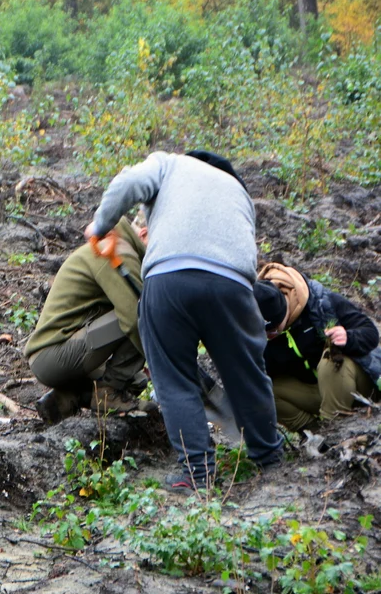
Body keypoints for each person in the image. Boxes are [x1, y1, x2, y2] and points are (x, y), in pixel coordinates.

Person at [86, 150, 283, 491]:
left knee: (175, 379)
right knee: (247, 372)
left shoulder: (169, 163)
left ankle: (196, 474)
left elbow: (129, 182)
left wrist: (100, 224)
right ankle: (270, 458)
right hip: (233, 285)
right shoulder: (239, 191)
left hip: (169, 279)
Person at [25, 217, 149, 424]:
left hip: (57, 355)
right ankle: (108, 394)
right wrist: (164, 364)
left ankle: (66, 398)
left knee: (136, 380)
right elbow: (137, 319)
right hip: (53, 356)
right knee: (144, 317)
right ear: (144, 234)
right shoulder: (118, 251)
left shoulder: (120, 245)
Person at [254, 263, 381, 431]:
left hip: (358, 386)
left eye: (274, 329)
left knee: (331, 361)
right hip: (317, 391)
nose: (270, 335)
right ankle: (316, 435)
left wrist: (348, 338)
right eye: (265, 331)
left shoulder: (321, 302)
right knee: (264, 390)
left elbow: (370, 333)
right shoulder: (255, 327)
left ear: (285, 309)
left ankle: (334, 430)